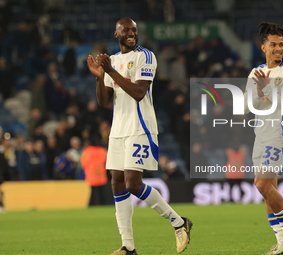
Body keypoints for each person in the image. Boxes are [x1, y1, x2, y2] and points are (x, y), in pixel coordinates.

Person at [87, 17, 192, 255]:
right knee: (117, 183)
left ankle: (179, 222)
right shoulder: (111, 60)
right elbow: (104, 102)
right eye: (126, 31)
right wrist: (98, 77)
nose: (131, 34)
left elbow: (139, 92)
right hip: (118, 130)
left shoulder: (145, 56)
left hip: (140, 128)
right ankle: (128, 247)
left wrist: (110, 71)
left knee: (132, 184)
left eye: (134, 30)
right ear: (117, 34)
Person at [243, 22, 283, 255]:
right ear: (263, 47)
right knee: (269, 189)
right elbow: (251, 106)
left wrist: (267, 91)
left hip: (281, 131)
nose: (278, 49)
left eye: (281, 45)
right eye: (273, 45)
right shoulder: (255, 73)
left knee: (262, 184)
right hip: (261, 131)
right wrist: (259, 92)